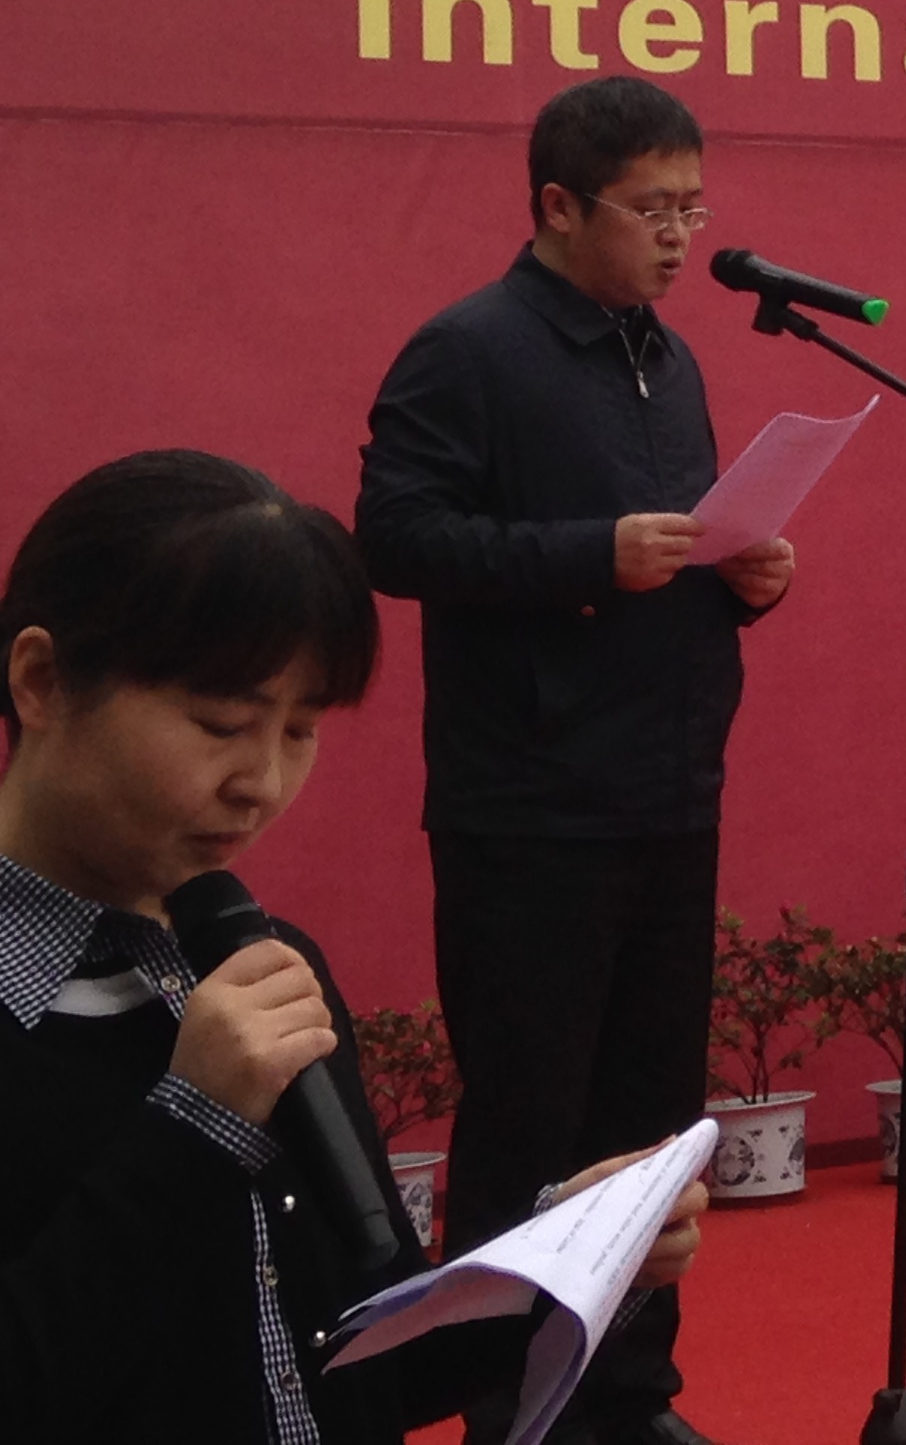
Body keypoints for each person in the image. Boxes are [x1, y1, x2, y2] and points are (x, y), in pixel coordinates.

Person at [0, 450, 705, 1445]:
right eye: (220, 723)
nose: (261, 782)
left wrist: (558, 1260)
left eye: (300, 730)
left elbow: (366, 1360)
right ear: (41, 681)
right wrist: (194, 1125)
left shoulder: (261, 970)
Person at [356, 79, 790, 1445]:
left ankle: (629, 1393)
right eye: (652, 209)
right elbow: (395, 537)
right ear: (557, 205)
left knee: (653, 1129)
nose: (679, 236)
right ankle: (507, 1405)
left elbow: (674, 550)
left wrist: (743, 575)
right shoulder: (468, 350)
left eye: (693, 208)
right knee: (530, 1125)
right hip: (529, 804)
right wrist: (586, 556)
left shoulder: (671, 357)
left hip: (670, 787)